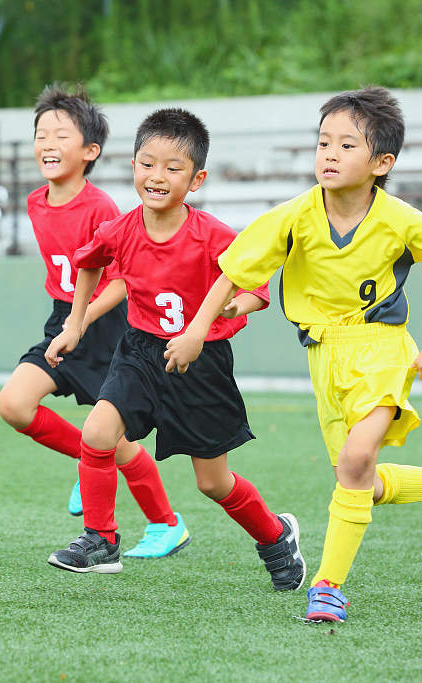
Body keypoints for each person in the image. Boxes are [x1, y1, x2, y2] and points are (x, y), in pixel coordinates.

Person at [172, 86, 422, 622]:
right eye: (323, 143)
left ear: (381, 163)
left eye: (346, 145)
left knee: (357, 461)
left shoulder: (401, 220)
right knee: (358, 477)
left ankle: (327, 587)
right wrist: (198, 330)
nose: (330, 154)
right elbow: (232, 272)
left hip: (382, 348)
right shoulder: (294, 216)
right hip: (323, 355)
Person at [44, 107, 306, 590]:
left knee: (213, 483)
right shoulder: (121, 229)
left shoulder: (213, 235)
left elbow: (257, 290)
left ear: (196, 179)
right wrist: (75, 324)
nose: (156, 176)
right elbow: (89, 263)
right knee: (98, 431)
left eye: (172, 167)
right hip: (140, 351)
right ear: (133, 166)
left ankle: (275, 536)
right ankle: (100, 539)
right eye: (147, 164)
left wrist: (230, 309)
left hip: (202, 366)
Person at [0, 83, 191, 560]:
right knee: (14, 405)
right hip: (63, 319)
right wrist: (68, 321)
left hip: (106, 327)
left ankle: (167, 524)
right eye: (41, 135)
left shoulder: (101, 208)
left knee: (113, 440)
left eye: (61, 135)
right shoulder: (35, 202)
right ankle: (89, 463)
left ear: (90, 151)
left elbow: (122, 280)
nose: (47, 144)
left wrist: (80, 321)